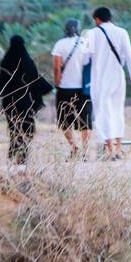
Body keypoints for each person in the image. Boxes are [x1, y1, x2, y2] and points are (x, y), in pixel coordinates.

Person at [81, 7, 131, 160]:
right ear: (110, 18)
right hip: (117, 77)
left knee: (102, 112)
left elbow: (84, 59)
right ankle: (118, 148)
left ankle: (109, 148)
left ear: (96, 19)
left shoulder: (89, 33)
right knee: (117, 110)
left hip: (99, 78)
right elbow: (130, 57)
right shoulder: (122, 32)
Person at [0, 35, 53, 165]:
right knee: (26, 127)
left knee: (13, 128)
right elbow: (35, 80)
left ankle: (14, 152)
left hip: (10, 102)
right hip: (25, 101)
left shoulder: (6, 62)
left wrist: (4, 92)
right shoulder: (28, 62)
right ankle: (22, 154)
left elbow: (0, 85)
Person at [51, 19, 92, 159]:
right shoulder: (84, 43)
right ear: (78, 29)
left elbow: (57, 67)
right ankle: (85, 152)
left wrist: (57, 83)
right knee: (85, 120)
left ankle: (74, 148)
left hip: (65, 88)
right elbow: (89, 64)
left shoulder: (59, 44)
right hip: (83, 88)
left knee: (65, 120)